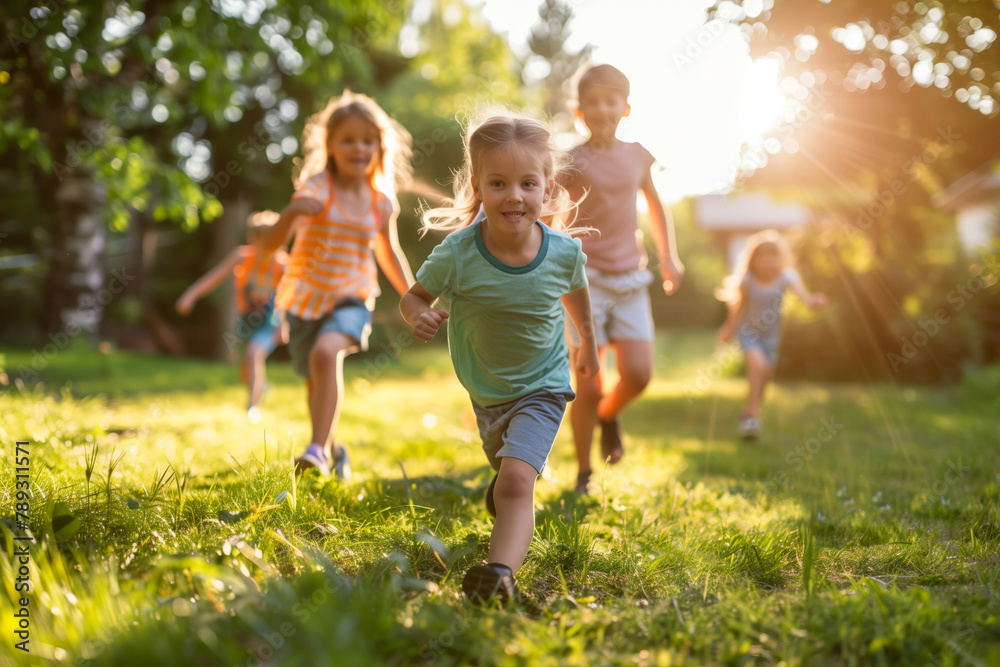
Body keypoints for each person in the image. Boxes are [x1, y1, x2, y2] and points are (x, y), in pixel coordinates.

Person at [400, 111, 599, 605]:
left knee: (515, 478)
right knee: (507, 475)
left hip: (546, 386)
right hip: (487, 393)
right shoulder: (459, 252)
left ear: (547, 188)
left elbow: (577, 299)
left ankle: (501, 575)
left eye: (528, 183)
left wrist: (588, 345)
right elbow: (413, 296)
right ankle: (505, 493)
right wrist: (417, 315)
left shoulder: (562, 252)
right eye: (499, 182)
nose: (515, 195)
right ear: (478, 186)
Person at [260, 90, 415, 479]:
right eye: (348, 139)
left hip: (352, 297)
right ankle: (331, 451)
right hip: (304, 300)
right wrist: (293, 210)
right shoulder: (316, 188)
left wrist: (414, 296)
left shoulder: (380, 202)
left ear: (380, 147)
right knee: (315, 379)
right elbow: (267, 246)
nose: (358, 148)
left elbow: (389, 252)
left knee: (327, 354)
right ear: (329, 144)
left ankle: (315, 449)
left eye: (367, 140)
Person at [560, 64, 685, 494]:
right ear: (580, 111)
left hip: (631, 278)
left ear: (626, 108)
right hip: (584, 281)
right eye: (592, 101)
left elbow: (654, 205)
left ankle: (610, 417)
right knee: (588, 385)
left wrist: (669, 257)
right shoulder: (572, 160)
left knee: (638, 374)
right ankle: (583, 472)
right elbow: (555, 210)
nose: (602, 108)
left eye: (610, 100)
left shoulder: (638, 155)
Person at [175, 211, 287, 424]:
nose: (267, 245)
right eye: (261, 239)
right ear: (252, 239)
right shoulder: (242, 257)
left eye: (273, 239)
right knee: (245, 368)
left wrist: (286, 324)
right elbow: (214, 277)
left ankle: (252, 408)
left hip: (270, 323)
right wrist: (190, 296)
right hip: (245, 321)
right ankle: (260, 387)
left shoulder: (283, 265)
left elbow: (292, 296)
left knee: (254, 354)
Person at [716, 229, 827, 439]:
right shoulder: (748, 280)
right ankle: (751, 420)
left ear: (780, 259)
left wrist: (815, 302)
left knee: (765, 377)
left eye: (773, 257)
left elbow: (806, 298)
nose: (768, 262)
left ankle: (748, 413)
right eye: (763, 257)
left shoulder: (787, 277)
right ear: (753, 259)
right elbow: (738, 307)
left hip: (771, 337)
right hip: (748, 334)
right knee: (759, 367)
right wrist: (728, 329)